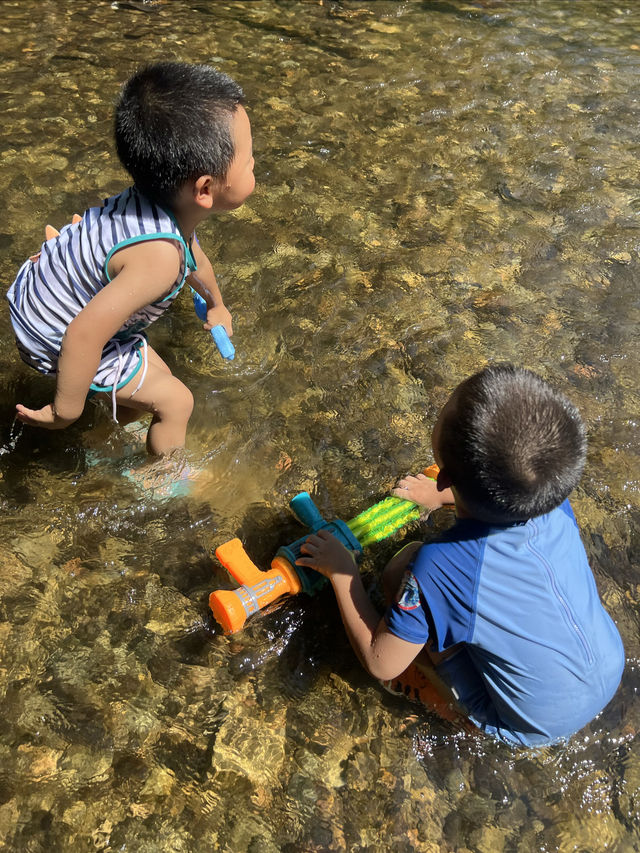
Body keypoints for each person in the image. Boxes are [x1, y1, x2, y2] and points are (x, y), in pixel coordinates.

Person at [296, 364, 625, 746]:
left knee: (398, 571)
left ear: (446, 473)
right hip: (606, 668)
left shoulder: (440, 566)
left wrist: (343, 573)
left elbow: (379, 660)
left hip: (532, 726)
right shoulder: (551, 502)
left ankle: (457, 712)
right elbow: (503, 503)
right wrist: (444, 495)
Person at [7, 61, 255, 457]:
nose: (254, 163)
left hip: (49, 292)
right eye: (249, 159)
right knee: (177, 401)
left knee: (159, 377)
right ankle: (162, 481)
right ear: (205, 188)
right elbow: (84, 334)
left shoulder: (158, 203)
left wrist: (216, 305)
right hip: (51, 332)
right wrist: (63, 411)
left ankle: (115, 428)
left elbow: (194, 258)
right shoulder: (158, 259)